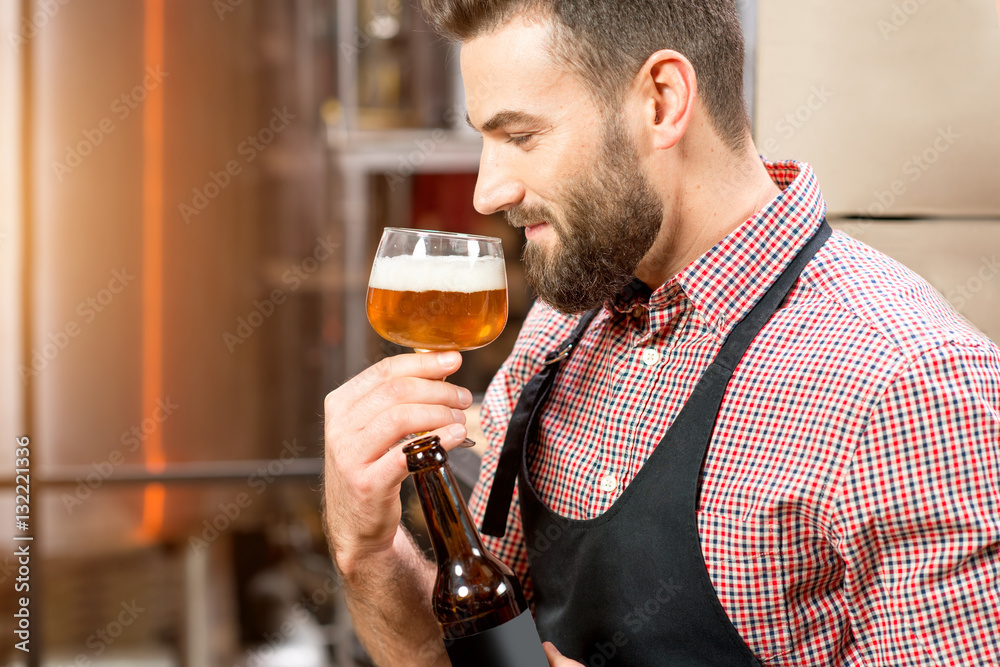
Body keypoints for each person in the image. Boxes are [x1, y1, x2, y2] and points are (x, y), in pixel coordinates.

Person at [323, 0, 1000, 665]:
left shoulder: (914, 384)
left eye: (521, 136)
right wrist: (368, 552)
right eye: (485, 139)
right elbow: (472, 647)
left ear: (662, 100)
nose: (487, 190)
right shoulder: (561, 330)